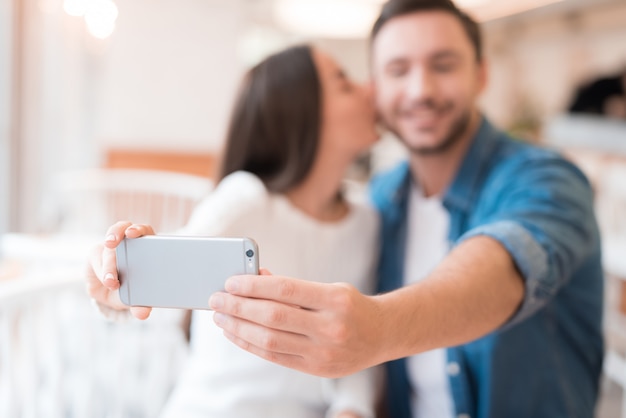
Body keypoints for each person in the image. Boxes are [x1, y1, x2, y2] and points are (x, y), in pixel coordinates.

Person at [205, 1, 605, 418]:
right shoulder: (381, 200)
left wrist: (379, 328)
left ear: (481, 74)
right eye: (398, 70)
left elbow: (504, 268)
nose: (421, 91)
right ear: (375, 88)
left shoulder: (547, 178)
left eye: (444, 65)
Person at [87, 45, 382, 418]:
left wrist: (352, 408)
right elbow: (161, 271)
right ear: (300, 112)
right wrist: (116, 273)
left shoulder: (366, 223)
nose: (369, 89)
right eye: (343, 82)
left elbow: (362, 340)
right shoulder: (247, 197)